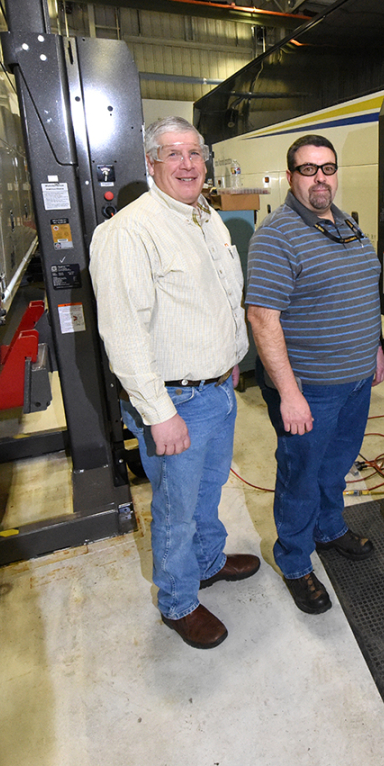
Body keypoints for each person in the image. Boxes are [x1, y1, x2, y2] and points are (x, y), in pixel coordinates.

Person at [89, 116, 256, 649]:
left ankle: (207, 562)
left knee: (207, 494)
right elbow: (124, 334)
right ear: (151, 163)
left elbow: (220, 300)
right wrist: (159, 413)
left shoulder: (205, 218)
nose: (187, 164)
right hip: (176, 398)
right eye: (173, 154)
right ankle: (179, 601)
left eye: (195, 153)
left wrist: (230, 358)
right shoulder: (128, 231)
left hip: (217, 390)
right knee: (175, 510)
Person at [246, 135, 384, 615]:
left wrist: (375, 351)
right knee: (301, 477)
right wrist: (288, 393)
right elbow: (263, 319)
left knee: (336, 466)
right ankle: (295, 560)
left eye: (327, 168)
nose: (320, 178)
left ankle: (329, 530)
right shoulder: (276, 236)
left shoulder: (345, 224)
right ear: (290, 177)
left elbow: (362, 293)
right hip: (310, 390)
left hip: (353, 381)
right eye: (308, 170)